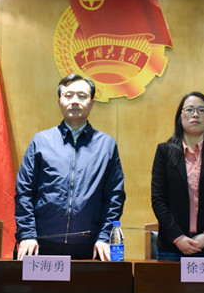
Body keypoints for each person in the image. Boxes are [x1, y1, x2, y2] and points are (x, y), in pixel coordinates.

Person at [15, 74, 125, 261]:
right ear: (59, 101)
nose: (75, 101)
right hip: (40, 244)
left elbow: (114, 196)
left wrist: (104, 237)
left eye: (82, 96)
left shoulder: (106, 145)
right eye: (68, 95)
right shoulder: (41, 141)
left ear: (92, 103)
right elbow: (24, 192)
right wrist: (27, 234)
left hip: (91, 247)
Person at [151, 92, 204, 260]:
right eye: (189, 109)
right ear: (180, 116)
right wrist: (178, 237)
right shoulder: (164, 152)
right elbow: (158, 200)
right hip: (172, 246)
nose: (195, 114)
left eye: (202, 110)